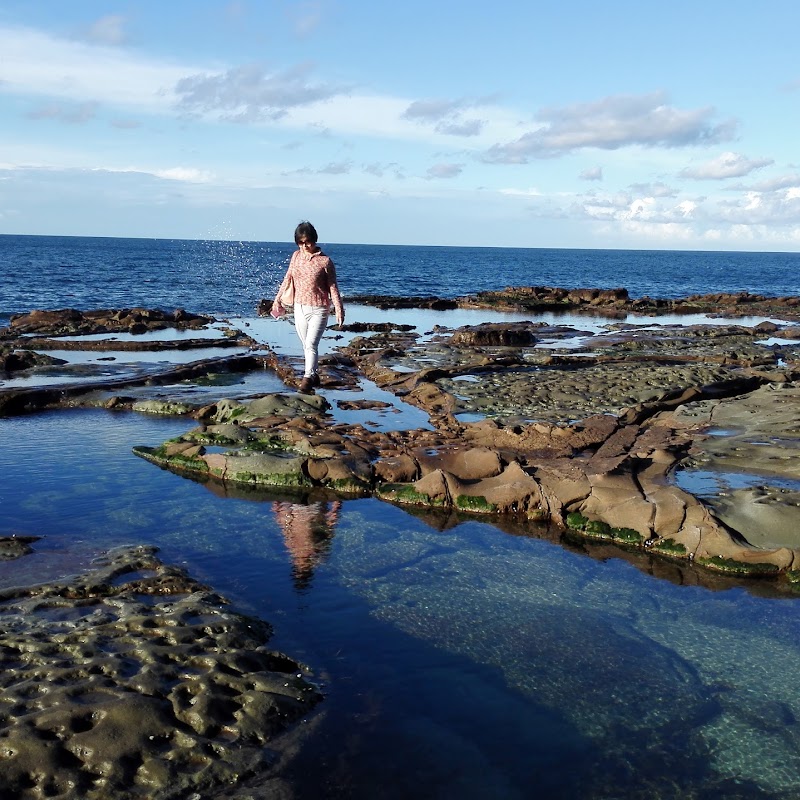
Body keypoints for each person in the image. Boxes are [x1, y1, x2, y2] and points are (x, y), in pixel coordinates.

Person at [273, 221, 345, 394]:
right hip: (299, 307)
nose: (304, 246)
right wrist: (277, 300)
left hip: (319, 309)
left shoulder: (325, 261)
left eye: (307, 242)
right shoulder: (296, 256)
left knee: (311, 344)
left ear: (314, 240)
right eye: (300, 242)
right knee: (306, 344)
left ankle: (307, 379)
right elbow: (287, 278)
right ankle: (314, 375)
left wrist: (339, 309)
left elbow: (333, 287)